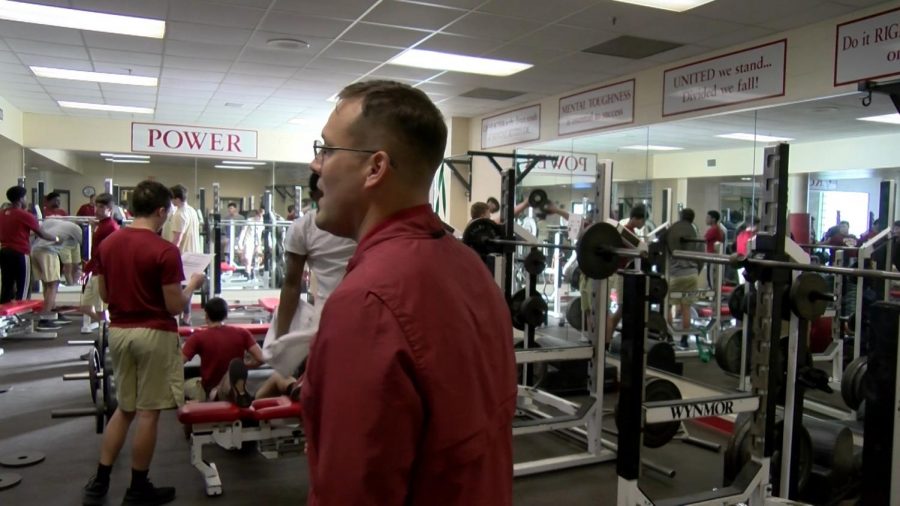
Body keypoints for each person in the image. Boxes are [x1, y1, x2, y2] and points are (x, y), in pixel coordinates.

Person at [303, 80, 516, 505]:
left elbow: (353, 492)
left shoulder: (366, 302)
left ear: (375, 168)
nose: (315, 165)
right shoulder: (469, 267)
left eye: (326, 149)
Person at [82, 180, 205, 506]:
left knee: (124, 409)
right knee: (148, 413)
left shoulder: (108, 244)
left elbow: (106, 296)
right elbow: (175, 306)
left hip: (120, 333)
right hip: (154, 334)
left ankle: (100, 481)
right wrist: (192, 284)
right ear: (162, 211)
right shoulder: (165, 251)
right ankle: (138, 488)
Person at [263, 172, 356, 377]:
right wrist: (281, 340)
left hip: (358, 313)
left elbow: (291, 285)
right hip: (327, 316)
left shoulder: (362, 221)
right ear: (314, 195)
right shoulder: (303, 228)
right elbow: (291, 285)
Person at [181, 297, 264, 406]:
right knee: (226, 380)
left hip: (209, 385)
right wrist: (243, 366)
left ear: (206, 316)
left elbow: (178, 363)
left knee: (185, 385)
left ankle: (209, 397)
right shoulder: (242, 333)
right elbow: (261, 358)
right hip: (231, 381)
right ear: (226, 315)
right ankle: (230, 387)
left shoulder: (197, 337)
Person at [0, 186, 60, 303]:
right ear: (20, 199)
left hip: (4, 252)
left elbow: (16, 230)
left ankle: (4, 318)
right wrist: (56, 238)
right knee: (23, 287)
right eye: (25, 197)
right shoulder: (25, 215)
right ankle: (21, 315)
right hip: (20, 254)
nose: (26, 200)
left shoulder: (2, 214)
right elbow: (42, 234)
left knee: (6, 286)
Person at [30, 217, 83, 330]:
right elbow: (86, 243)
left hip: (34, 251)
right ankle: (45, 320)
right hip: (48, 251)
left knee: (47, 284)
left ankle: (52, 312)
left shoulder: (52, 221)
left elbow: (39, 232)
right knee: (53, 285)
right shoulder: (76, 228)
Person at [79, 193, 119, 334]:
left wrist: (87, 269)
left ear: (109, 210)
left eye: (102, 207)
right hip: (94, 270)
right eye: (97, 206)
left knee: (102, 309)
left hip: (102, 272)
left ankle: (108, 332)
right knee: (85, 307)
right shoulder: (101, 225)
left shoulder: (111, 227)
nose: (97, 209)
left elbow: (102, 252)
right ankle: (108, 328)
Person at [162, 185, 201, 325]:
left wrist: (165, 255)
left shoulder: (180, 214)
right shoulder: (192, 211)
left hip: (184, 256)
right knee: (187, 288)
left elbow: (177, 239)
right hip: (194, 254)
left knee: (181, 289)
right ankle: (186, 317)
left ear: (176, 199)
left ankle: (184, 320)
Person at [668, 208, 701, 345]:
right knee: (686, 306)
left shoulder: (673, 233)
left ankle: (669, 336)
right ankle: (684, 339)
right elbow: (701, 258)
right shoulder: (696, 234)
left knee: (667, 305)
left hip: (676, 276)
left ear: (681, 217)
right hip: (692, 275)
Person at [704, 210, 727, 288]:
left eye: (708, 217)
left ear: (713, 219)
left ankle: (712, 294)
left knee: (710, 277)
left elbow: (704, 238)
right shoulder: (717, 228)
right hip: (712, 256)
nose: (706, 219)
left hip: (712, 256)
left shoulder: (714, 229)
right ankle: (712, 293)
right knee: (711, 277)